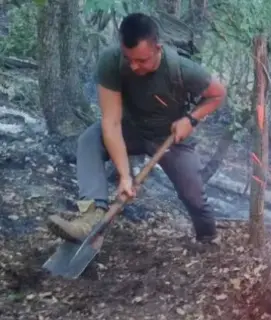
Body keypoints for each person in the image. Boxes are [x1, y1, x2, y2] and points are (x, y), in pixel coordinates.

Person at [47, 12, 227, 244]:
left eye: (141, 60)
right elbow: (110, 123)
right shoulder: (111, 62)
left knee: (193, 195)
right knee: (89, 140)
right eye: (128, 58)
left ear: (158, 48)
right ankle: (91, 216)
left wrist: (190, 120)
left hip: (169, 137)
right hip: (129, 129)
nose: (133, 66)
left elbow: (218, 94)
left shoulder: (182, 69)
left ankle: (207, 238)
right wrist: (125, 177)